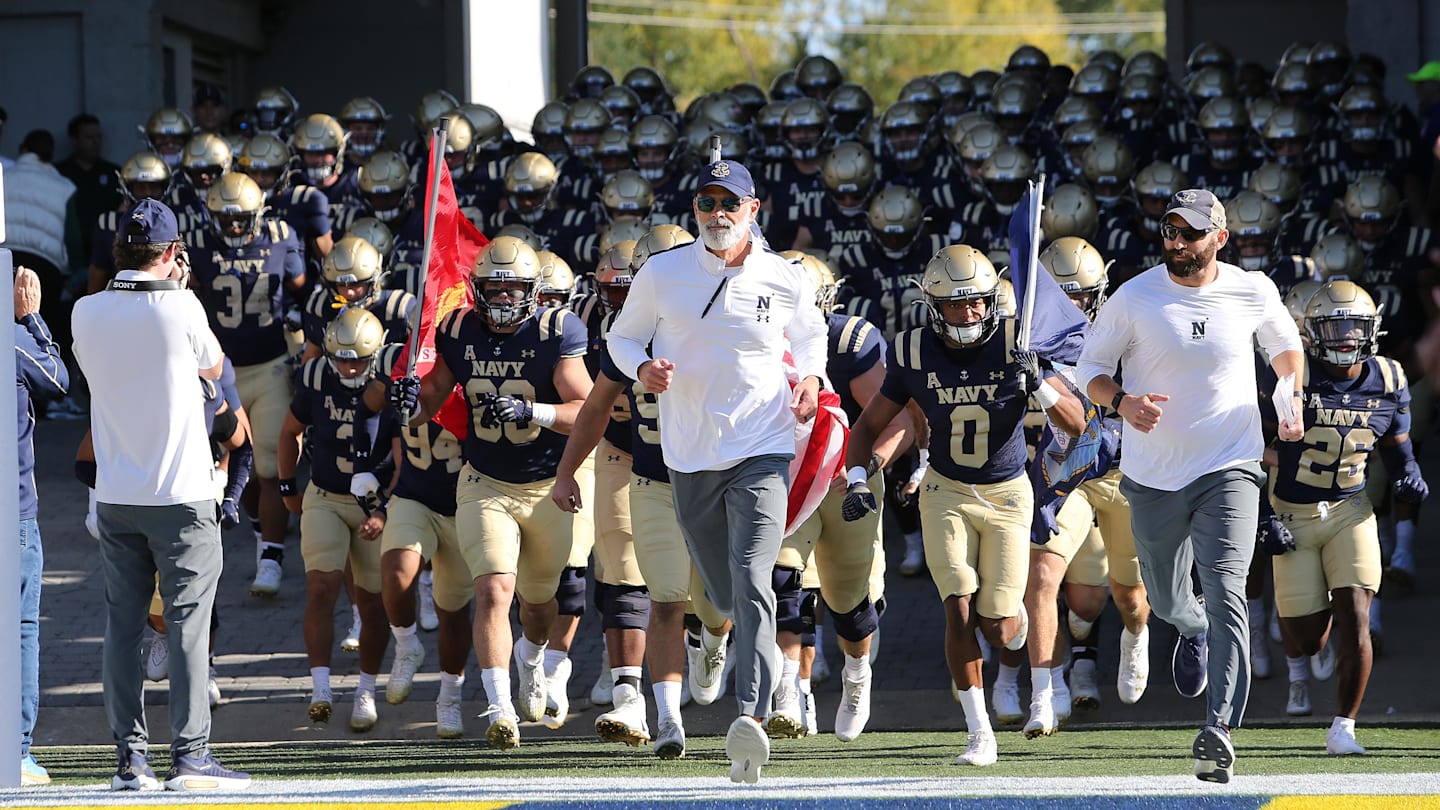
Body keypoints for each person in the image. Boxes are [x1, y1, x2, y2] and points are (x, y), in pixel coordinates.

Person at [604, 158, 829, 784]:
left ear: (753, 210)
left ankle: (751, 718)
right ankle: (715, 637)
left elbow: (812, 336)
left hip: (763, 447)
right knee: (722, 590)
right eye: (706, 203)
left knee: (755, 580)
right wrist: (640, 369)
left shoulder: (782, 276)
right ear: (694, 211)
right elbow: (622, 340)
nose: (717, 214)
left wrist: (810, 378)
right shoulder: (661, 271)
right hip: (688, 453)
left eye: (730, 203)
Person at [1076, 189, 1305, 784]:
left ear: (1220, 239)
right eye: (1169, 232)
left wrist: (1290, 392)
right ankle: (1190, 627)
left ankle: (1218, 730)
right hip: (1152, 476)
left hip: (1231, 464)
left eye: (1190, 234)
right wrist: (1123, 402)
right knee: (1169, 596)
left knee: (1228, 586)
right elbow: (1089, 371)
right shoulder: (1135, 295)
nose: (1177, 244)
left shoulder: (1253, 289)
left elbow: (1285, 350)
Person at [842, 245, 1086, 767]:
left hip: (1007, 491)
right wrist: (859, 476)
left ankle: (1012, 621)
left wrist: (1039, 382)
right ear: (934, 306)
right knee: (956, 605)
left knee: (998, 624)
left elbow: (1077, 422)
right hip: (945, 489)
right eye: (957, 305)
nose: (971, 313)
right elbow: (866, 426)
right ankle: (978, 733)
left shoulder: (1017, 344)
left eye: (978, 302)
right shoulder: (910, 351)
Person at [70, 199, 249, 791]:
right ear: (172, 254)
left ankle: (130, 760)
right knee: (188, 626)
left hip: (118, 494)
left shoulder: (84, 311)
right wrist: (179, 289)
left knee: (123, 628)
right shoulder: (182, 307)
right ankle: (191, 757)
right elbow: (215, 366)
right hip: (181, 494)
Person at [1261, 280, 1425, 756]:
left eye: (1355, 326)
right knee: (1307, 639)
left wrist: (1409, 474)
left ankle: (1343, 727)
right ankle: (1318, 637)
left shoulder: (1390, 378)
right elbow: (1248, 450)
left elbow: (1399, 449)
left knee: (1357, 615)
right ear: (1311, 334)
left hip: (1351, 510)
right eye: (1335, 327)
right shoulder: (1292, 378)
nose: (1347, 338)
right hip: (1292, 513)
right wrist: (1262, 516)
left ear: (1372, 328)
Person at [14, 264, 68, 785]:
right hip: (15, 512)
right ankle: (15, 750)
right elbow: (58, 379)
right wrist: (32, 320)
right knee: (22, 629)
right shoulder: (14, 342)